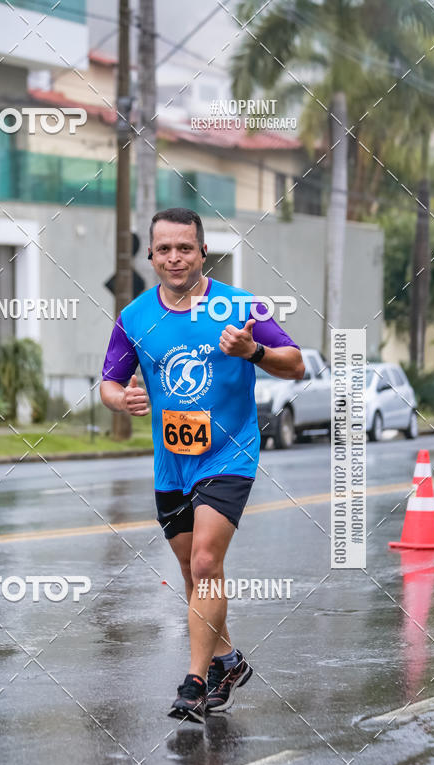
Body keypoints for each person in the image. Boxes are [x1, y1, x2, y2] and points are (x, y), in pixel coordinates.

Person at [100, 207, 304, 724]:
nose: (174, 257)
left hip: (228, 455)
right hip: (172, 465)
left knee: (206, 564)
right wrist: (120, 400)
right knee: (195, 576)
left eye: (185, 247)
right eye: (164, 248)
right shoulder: (136, 317)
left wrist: (254, 349)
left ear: (202, 251)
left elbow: (296, 362)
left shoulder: (240, 306)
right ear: (150, 254)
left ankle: (194, 682)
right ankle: (227, 660)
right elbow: (107, 380)